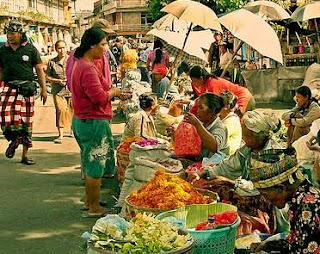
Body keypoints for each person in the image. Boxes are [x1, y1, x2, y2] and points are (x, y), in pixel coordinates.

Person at [70, 28, 130, 217]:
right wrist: (114, 93)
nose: (105, 48)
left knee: (90, 163)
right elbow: (99, 97)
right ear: (92, 45)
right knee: (95, 165)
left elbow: (103, 85)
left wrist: (116, 90)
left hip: (84, 120)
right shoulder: (86, 68)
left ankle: (91, 202)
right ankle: (94, 208)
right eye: (103, 44)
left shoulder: (85, 64)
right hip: (93, 121)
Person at [0, 20, 47, 165]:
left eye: (12, 33)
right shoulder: (2, 50)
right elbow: (0, 71)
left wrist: (44, 89)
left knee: (26, 122)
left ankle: (25, 155)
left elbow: (39, 70)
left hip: (27, 88)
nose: (9, 36)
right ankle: (14, 140)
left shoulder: (31, 49)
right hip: (8, 87)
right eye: (7, 33)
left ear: (20, 34)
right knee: (5, 118)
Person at [188, 110, 282, 181]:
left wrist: (230, 183)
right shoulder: (247, 150)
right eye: (243, 135)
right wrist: (204, 173)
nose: (244, 139)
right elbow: (228, 167)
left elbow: (260, 188)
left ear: (261, 137)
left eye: (248, 136)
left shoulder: (274, 155)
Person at [249, 160, 320, 253]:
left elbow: (304, 250)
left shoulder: (307, 207)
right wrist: (268, 245)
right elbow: (297, 242)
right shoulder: (300, 196)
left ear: (281, 188)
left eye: (265, 194)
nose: (265, 199)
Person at [66, 19, 115, 90]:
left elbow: (105, 76)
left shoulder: (103, 53)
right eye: (104, 33)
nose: (105, 37)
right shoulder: (77, 54)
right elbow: (70, 77)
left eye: (107, 35)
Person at [188, 66, 255, 116]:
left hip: (243, 97)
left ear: (201, 78)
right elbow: (199, 102)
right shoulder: (204, 85)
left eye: (194, 81)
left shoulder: (212, 84)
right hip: (237, 98)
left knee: (236, 120)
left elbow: (214, 107)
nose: (193, 83)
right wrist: (189, 115)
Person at [184, 92, 229, 160]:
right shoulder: (204, 124)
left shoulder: (220, 127)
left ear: (211, 111)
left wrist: (197, 124)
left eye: (201, 108)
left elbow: (214, 147)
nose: (197, 111)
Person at [46, 40, 73, 144]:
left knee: (72, 110)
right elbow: (47, 76)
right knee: (60, 110)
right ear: (56, 50)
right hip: (58, 91)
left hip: (71, 90)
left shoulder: (72, 60)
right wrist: (57, 81)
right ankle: (60, 134)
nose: (62, 50)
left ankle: (72, 130)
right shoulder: (52, 62)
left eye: (63, 48)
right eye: (59, 48)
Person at [220, 91, 242, 155]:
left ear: (226, 107)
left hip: (228, 156)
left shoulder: (231, 121)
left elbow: (219, 138)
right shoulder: (222, 117)